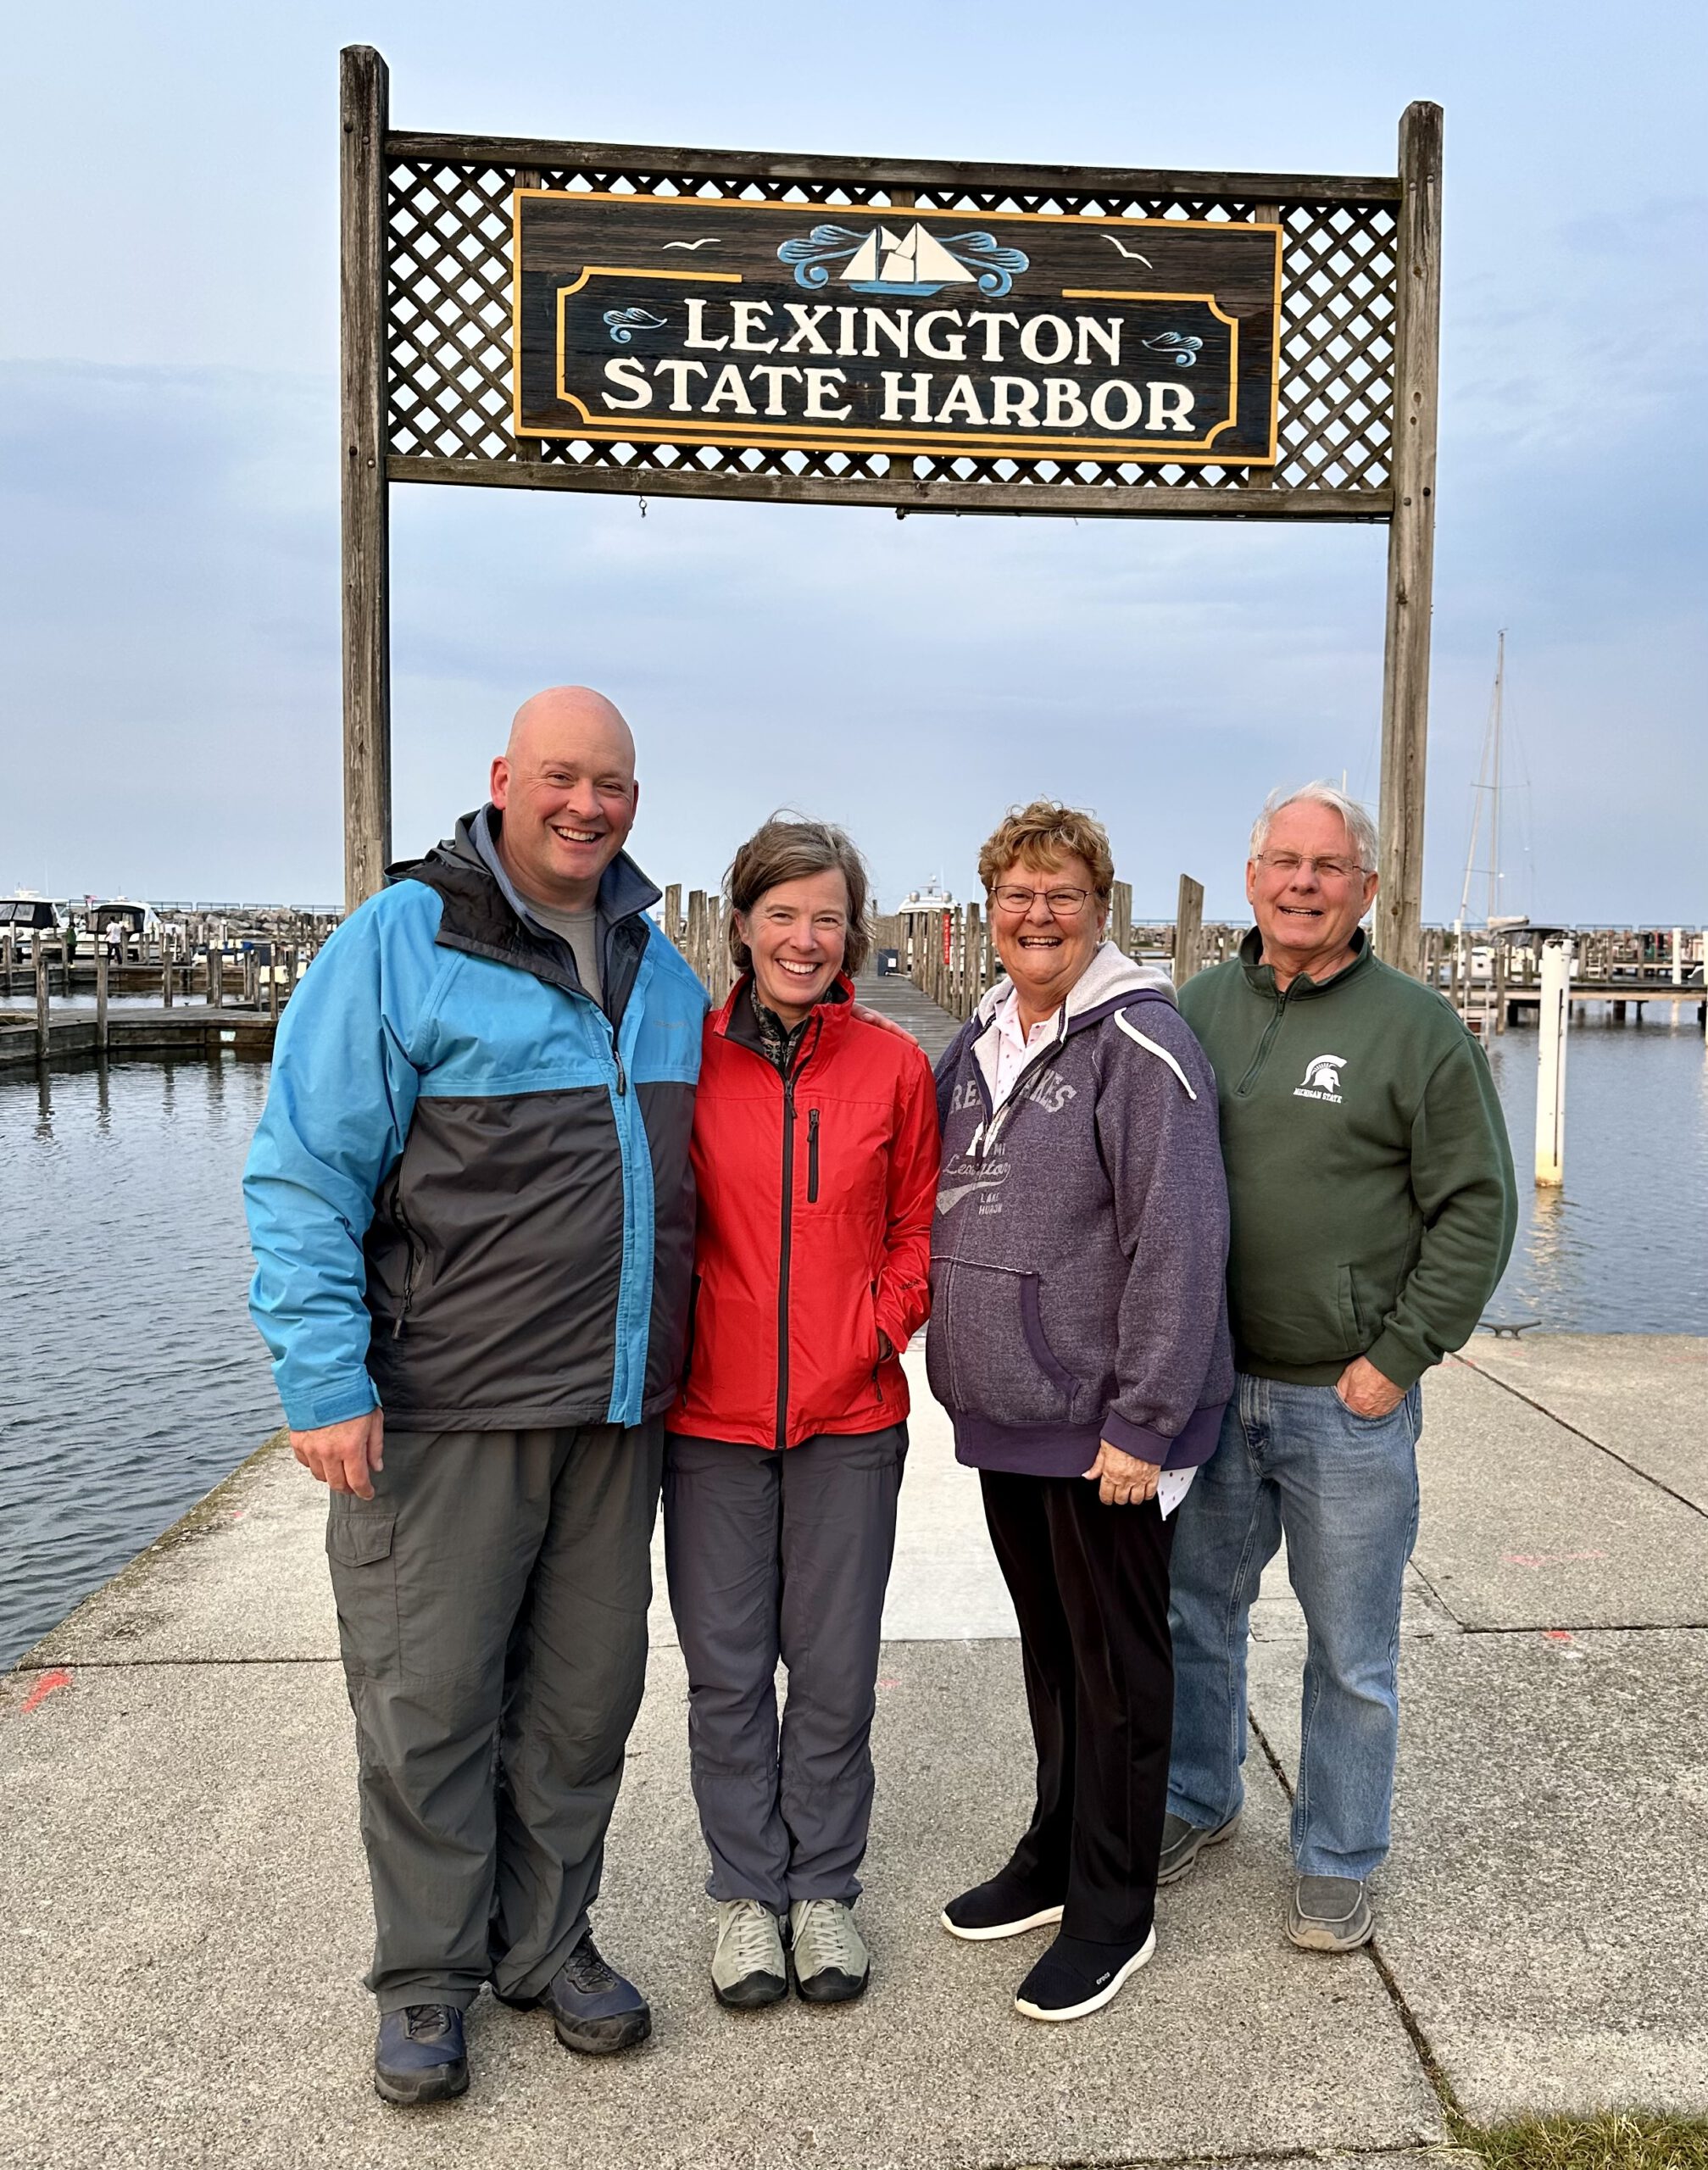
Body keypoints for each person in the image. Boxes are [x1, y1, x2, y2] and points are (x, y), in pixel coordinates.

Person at [242, 687, 707, 2105]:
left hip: (612, 1415)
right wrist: (323, 1378)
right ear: (505, 778)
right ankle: (427, 1976)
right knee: (429, 1704)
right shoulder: (403, 941)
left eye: (612, 783)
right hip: (443, 1412)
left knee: (582, 1703)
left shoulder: (661, 965)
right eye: (561, 777)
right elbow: (304, 1172)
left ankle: (545, 1941)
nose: (587, 805)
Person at [1164, 782, 1516, 1953]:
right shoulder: (1195, 1009)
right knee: (1194, 1617)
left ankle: (1336, 1855)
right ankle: (1196, 1798)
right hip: (1212, 1393)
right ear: (1252, 875)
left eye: (1328, 866)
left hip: (1346, 1403)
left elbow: (1476, 1206)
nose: (1303, 883)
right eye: (1283, 862)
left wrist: (1397, 1357)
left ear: (1365, 887)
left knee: (1351, 1650)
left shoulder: (1417, 1030)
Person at [929, 800, 1232, 2023]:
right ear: (988, 909)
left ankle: (1116, 1911)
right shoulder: (980, 1041)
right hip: (1011, 1415)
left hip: (1106, 1423)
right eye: (1016, 893)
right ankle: (1055, 1855)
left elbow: (1181, 1238)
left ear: (1099, 907)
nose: (1036, 914)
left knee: (1116, 1668)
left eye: (1061, 893)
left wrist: (1144, 1422)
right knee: (1053, 1657)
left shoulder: (1142, 1045)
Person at [664, 816, 938, 2011]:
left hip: (851, 1418)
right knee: (727, 1673)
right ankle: (744, 1896)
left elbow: (923, 1225)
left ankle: (823, 1888)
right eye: (782, 914)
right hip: (710, 1420)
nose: (805, 937)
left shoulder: (892, 1066)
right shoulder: (684, 1058)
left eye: (826, 916)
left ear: (851, 932)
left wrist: (878, 1325)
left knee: (832, 1671)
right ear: (740, 925)